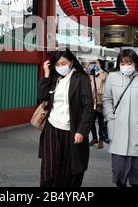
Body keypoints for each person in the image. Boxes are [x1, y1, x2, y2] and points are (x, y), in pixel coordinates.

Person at [102, 49, 138, 187]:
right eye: (122, 63)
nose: (125, 65)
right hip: (117, 132)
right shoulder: (112, 77)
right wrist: (110, 117)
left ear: (135, 62)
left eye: (129, 62)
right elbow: (107, 99)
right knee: (118, 171)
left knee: (137, 173)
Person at [37, 49, 94, 187]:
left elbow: (88, 107)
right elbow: (42, 96)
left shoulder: (80, 78)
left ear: (71, 62)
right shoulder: (54, 78)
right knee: (49, 167)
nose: (60, 66)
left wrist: (81, 130)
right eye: (57, 64)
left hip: (72, 130)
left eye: (64, 63)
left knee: (69, 167)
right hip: (52, 127)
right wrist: (46, 73)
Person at [88, 59, 109, 149]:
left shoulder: (104, 73)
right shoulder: (92, 74)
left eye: (96, 63)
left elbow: (103, 78)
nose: (94, 65)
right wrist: (89, 65)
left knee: (101, 122)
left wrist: (98, 69)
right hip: (93, 101)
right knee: (91, 121)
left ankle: (101, 140)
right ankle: (94, 138)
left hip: (101, 101)